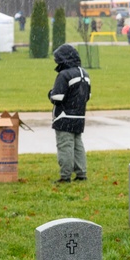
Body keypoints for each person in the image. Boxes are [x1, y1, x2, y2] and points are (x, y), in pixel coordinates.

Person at [48, 44, 91, 183]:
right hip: (79, 117)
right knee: (78, 146)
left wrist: (50, 93)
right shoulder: (84, 73)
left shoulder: (64, 74)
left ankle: (65, 176)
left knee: (65, 146)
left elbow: (57, 98)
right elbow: (87, 96)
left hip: (64, 117)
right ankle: (81, 174)